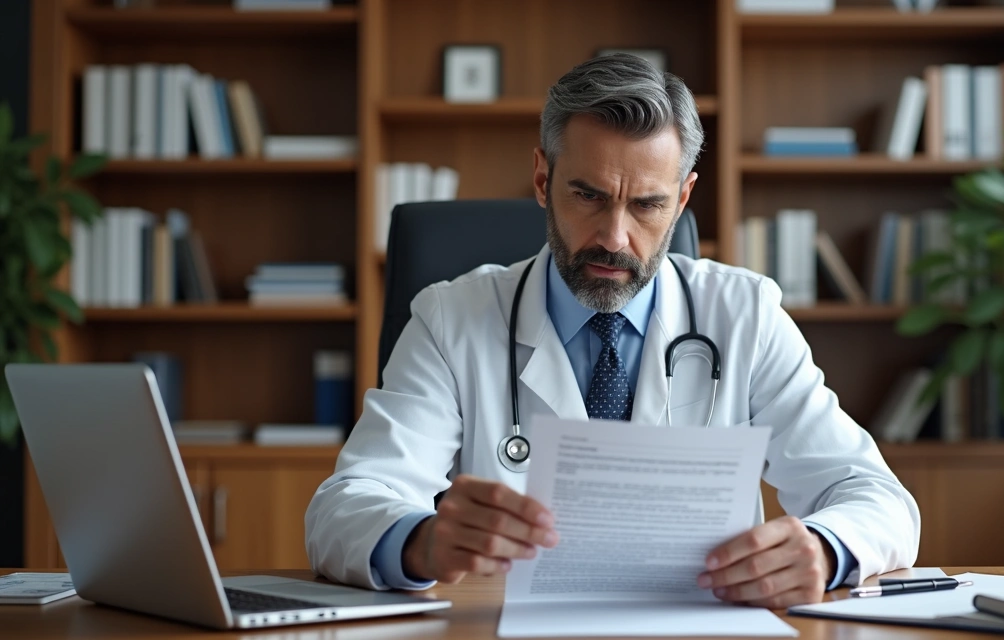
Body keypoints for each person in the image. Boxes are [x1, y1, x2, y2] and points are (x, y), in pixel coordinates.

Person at [306, 54, 919, 608]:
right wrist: (420, 540)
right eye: (588, 196)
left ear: (682, 199)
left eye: (647, 205)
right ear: (543, 181)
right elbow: (343, 506)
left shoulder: (745, 315)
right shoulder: (452, 317)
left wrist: (826, 548)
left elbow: (876, 497)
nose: (615, 237)